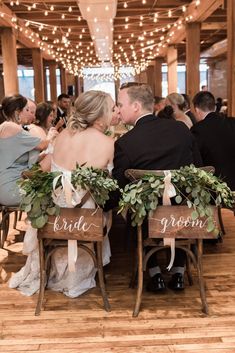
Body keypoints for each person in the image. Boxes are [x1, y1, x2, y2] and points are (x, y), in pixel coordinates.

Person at [9, 90, 115, 298]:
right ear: (100, 115)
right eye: (111, 110)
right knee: (106, 210)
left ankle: (51, 266)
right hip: (86, 221)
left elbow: (42, 171)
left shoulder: (63, 136)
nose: (114, 114)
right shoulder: (108, 143)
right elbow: (108, 186)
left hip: (55, 216)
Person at [111, 83, 202, 292]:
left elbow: (120, 188)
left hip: (147, 220)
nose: (118, 109)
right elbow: (198, 169)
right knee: (179, 202)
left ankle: (155, 275)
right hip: (184, 216)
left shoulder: (126, 142)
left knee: (136, 209)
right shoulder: (181, 129)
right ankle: (179, 272)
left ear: (135, 106)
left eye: (120, 104)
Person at [0, 95, 48, 206]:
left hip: (6, 186)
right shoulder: (11, 127)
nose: (30, 113)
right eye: (26, 109)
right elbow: (42, 145)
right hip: (11, 189)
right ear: (18, 112)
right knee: (52, 193)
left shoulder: (4, 126)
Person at [191, 91, 235, 190]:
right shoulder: (232, 123)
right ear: (214, 108)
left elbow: (196, 161)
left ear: (197, 109)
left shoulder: (198, 129)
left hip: (214, 187)